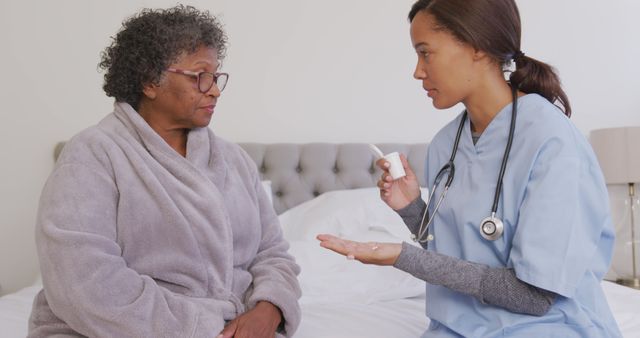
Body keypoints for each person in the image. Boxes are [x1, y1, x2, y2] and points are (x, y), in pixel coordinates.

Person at [317, 0, 622, 336]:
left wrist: (400, 256)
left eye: (425, 52)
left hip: (548, 327)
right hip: (456, 327)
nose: (417, 71)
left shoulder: (553, 142)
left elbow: (534, 296)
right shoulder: (445, 146)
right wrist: (411, 208)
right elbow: (454, 254)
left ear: (476, 46)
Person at [28, 5, 301, 338]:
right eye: (200, 76)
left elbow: (272, 252)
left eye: (216, 77)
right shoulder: (93, 155)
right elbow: (84, 281)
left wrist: (268, 309)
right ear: (149, 81)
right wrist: (207, 327)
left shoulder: (234, 160)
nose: (214, 89)